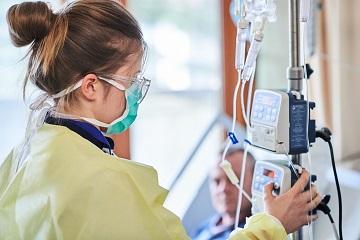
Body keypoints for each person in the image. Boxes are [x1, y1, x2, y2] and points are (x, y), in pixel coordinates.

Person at [0, 1, 321, 239]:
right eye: (131, 79)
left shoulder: (27, 154)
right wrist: (270, 226)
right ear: (91, 86)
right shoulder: (101, 181)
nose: (137, 91)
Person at [192, 145, 255, 240]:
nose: (223, 189)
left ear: (254, 182)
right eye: (217, 181)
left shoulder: (252, 234)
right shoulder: (206, 226)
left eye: (233, 179)